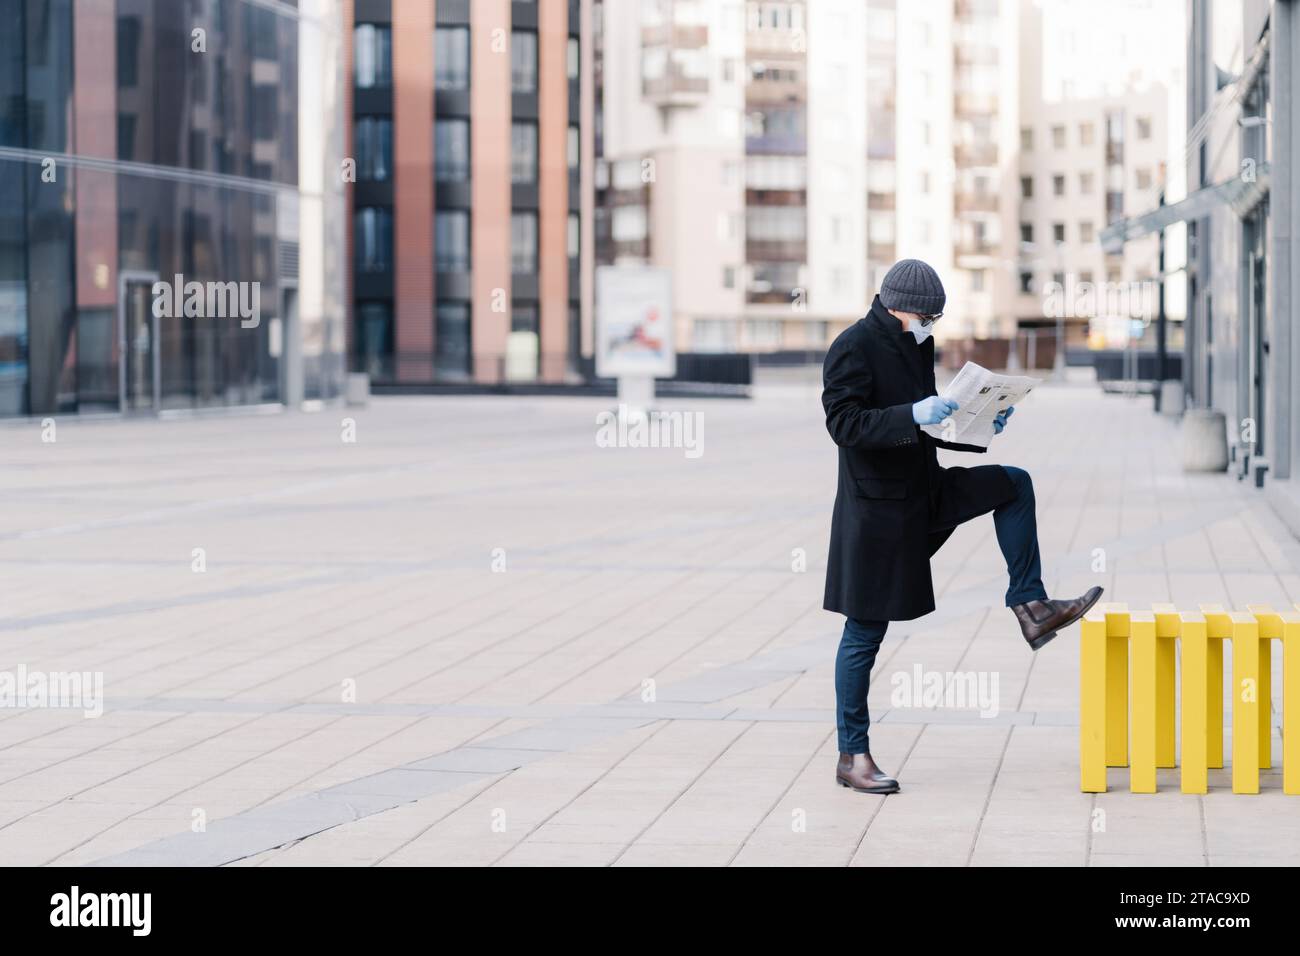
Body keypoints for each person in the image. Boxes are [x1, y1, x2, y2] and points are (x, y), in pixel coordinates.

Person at [822, 259, 1102, 795]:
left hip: (925, 494)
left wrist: (976, 425)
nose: (931, 324)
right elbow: (844, 424)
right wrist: (913, 414)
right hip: (877, 515)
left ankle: (1032, 606)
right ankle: (851, 755)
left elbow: (930, 424)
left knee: (1013, 483)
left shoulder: (915, 343)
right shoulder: (852, 347)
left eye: (937, 317)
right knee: (864, 632)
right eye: (927, 315)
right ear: (895, 306)